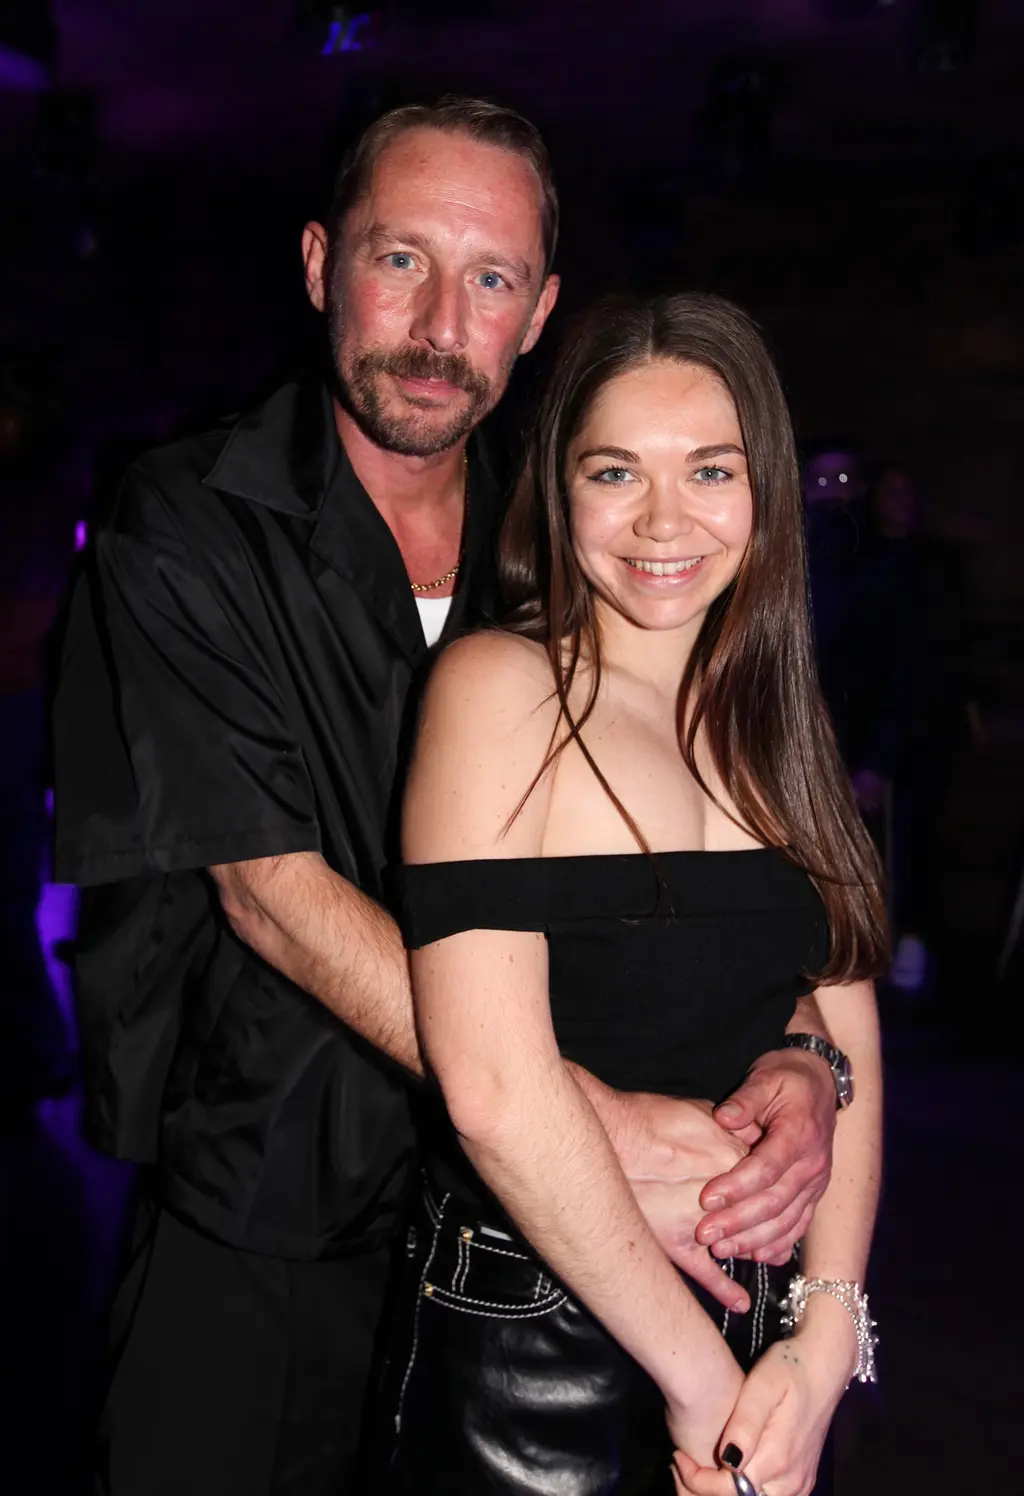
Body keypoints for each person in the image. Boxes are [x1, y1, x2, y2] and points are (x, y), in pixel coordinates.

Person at [54, 100, 842, 1496]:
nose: (437, 323)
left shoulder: (573, 533)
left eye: (489, 279)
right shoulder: (184, 517)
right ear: (320, 264)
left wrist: (799, 1052)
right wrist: (586, 1120)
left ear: (538, 314)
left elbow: (684, 850)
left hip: (517, 1231)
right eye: (399, 258)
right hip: (270, 1190)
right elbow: (271, 893)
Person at [380, 294, 885, 1494]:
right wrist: (706, 1394)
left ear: (765, 487)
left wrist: (823, 1340)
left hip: (763, 1325)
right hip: (535, 1332)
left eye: (710, 468)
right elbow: (494, 1089)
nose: (664, 519)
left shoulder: (781, 715)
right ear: (559, 492)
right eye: (615, 471)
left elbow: (845, 1013)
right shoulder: (499, 687)